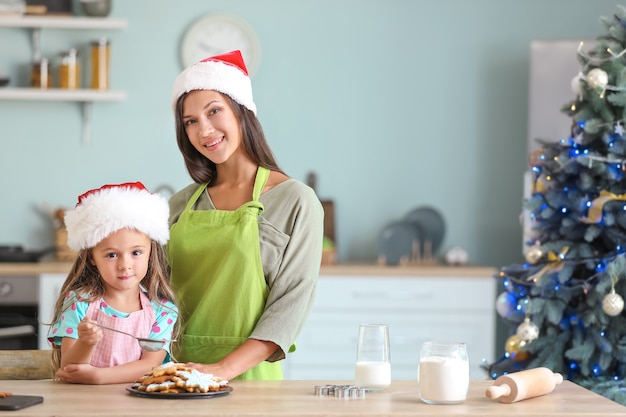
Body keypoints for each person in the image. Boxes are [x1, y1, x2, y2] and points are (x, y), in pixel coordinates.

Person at [168, 50, 324, 380]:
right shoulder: (180, 205)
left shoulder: (295, 201)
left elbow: (290, 304)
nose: (204, 129)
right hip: (177, 375)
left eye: (214, 111)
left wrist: (222, 369)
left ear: (242, 112)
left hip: (250, 381)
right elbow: (150, 292)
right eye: (191, 122)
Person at [48, 182, 179, 384]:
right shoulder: (79, 302)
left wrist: (100, 376)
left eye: (136, 252)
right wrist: (86, 342)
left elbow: (151, 366)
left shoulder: (162, 311)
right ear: (92, 257)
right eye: (111, 255)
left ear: (150, 253)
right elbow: (68, 367)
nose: (124, 265)